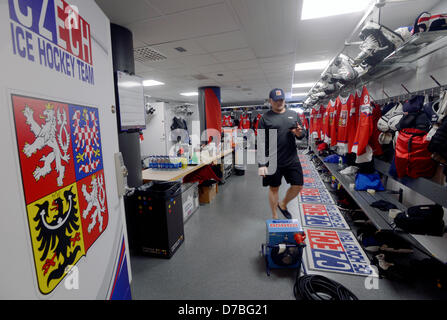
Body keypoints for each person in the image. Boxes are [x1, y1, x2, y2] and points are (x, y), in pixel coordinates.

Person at [257, 88, 305, 219]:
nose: (280, 102)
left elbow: (301, 135)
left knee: (298, 185)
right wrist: (261, 164)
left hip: (291, 157)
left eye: (282, 100)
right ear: (270, 101)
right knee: (274, 188)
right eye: (276, 100)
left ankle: (283, 204)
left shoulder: (293, 114)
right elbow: (260, 141)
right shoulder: (265, 118)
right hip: (272, 160)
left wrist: (299, 133)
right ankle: (275, 216)